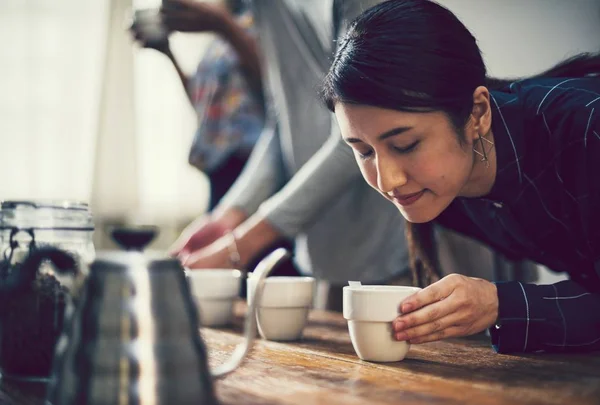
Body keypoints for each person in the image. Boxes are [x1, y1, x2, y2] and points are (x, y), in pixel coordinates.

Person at [321, 0, 600, 353]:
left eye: (406, 145)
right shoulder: (443, 192)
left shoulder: (588, 129)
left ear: (478, 113)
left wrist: (501, 303)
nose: (388, 181)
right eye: (363, 151)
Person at [167, 0, 411, 310]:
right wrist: (227, 217)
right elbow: (281, 123)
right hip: (325, 253)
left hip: (389, 250)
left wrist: (242, 246)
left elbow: (356, 140)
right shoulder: (265, 8)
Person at [131, 0, 263, 211]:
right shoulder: (220, 38)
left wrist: (224, 24)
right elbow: (205, 106)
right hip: (219, 168)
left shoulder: (263, 26)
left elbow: (274, 89)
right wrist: (167, 52)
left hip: (253, 167)